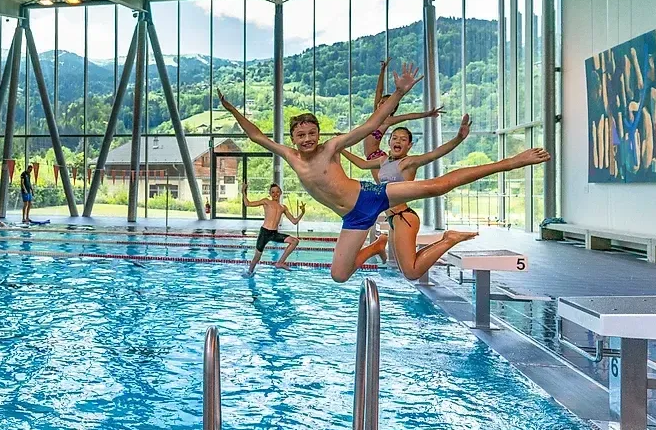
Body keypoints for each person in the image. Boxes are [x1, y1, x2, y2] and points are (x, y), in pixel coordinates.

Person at [217, 62, 550, 284]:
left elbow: (373, 123)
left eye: (311, 133)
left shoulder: (331, 147)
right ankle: (378, 246)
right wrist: (233, 109)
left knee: (437, 186)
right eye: (301, 136)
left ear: (318, 133)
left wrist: (401, 92)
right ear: (293, 139)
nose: (307, 140)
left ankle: (513, 161)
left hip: (370, 196)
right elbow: (256, 136)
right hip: (354, 220)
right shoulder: (290, 155)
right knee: (338, 275)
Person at [342, 114, 478, 280]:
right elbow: (361, 164)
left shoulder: (409, 163)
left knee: (412, 272)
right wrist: (339, 148)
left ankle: (449, 240)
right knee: (405, 268)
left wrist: (458, 138)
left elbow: (434, 154)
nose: (398, 141)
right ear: (389, 141)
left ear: (409, 145)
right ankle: (447, 239)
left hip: (404, 217)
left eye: (403, 139)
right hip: (393, 219)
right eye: (395, 138)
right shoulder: (383, 161)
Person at [243, 183, 306, 275]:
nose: (275, 194)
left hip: (274, 234)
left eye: (277, 192)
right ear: (270, 193)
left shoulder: (283, 207)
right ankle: (249, 272)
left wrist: (302, 212)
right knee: (257, 258)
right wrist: (243, 192)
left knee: (294, 241)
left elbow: (294, 221)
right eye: (273, 192)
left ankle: (280, 262)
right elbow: (247, 204)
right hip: (264, 233)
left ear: (280, 192)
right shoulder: (266, 201)